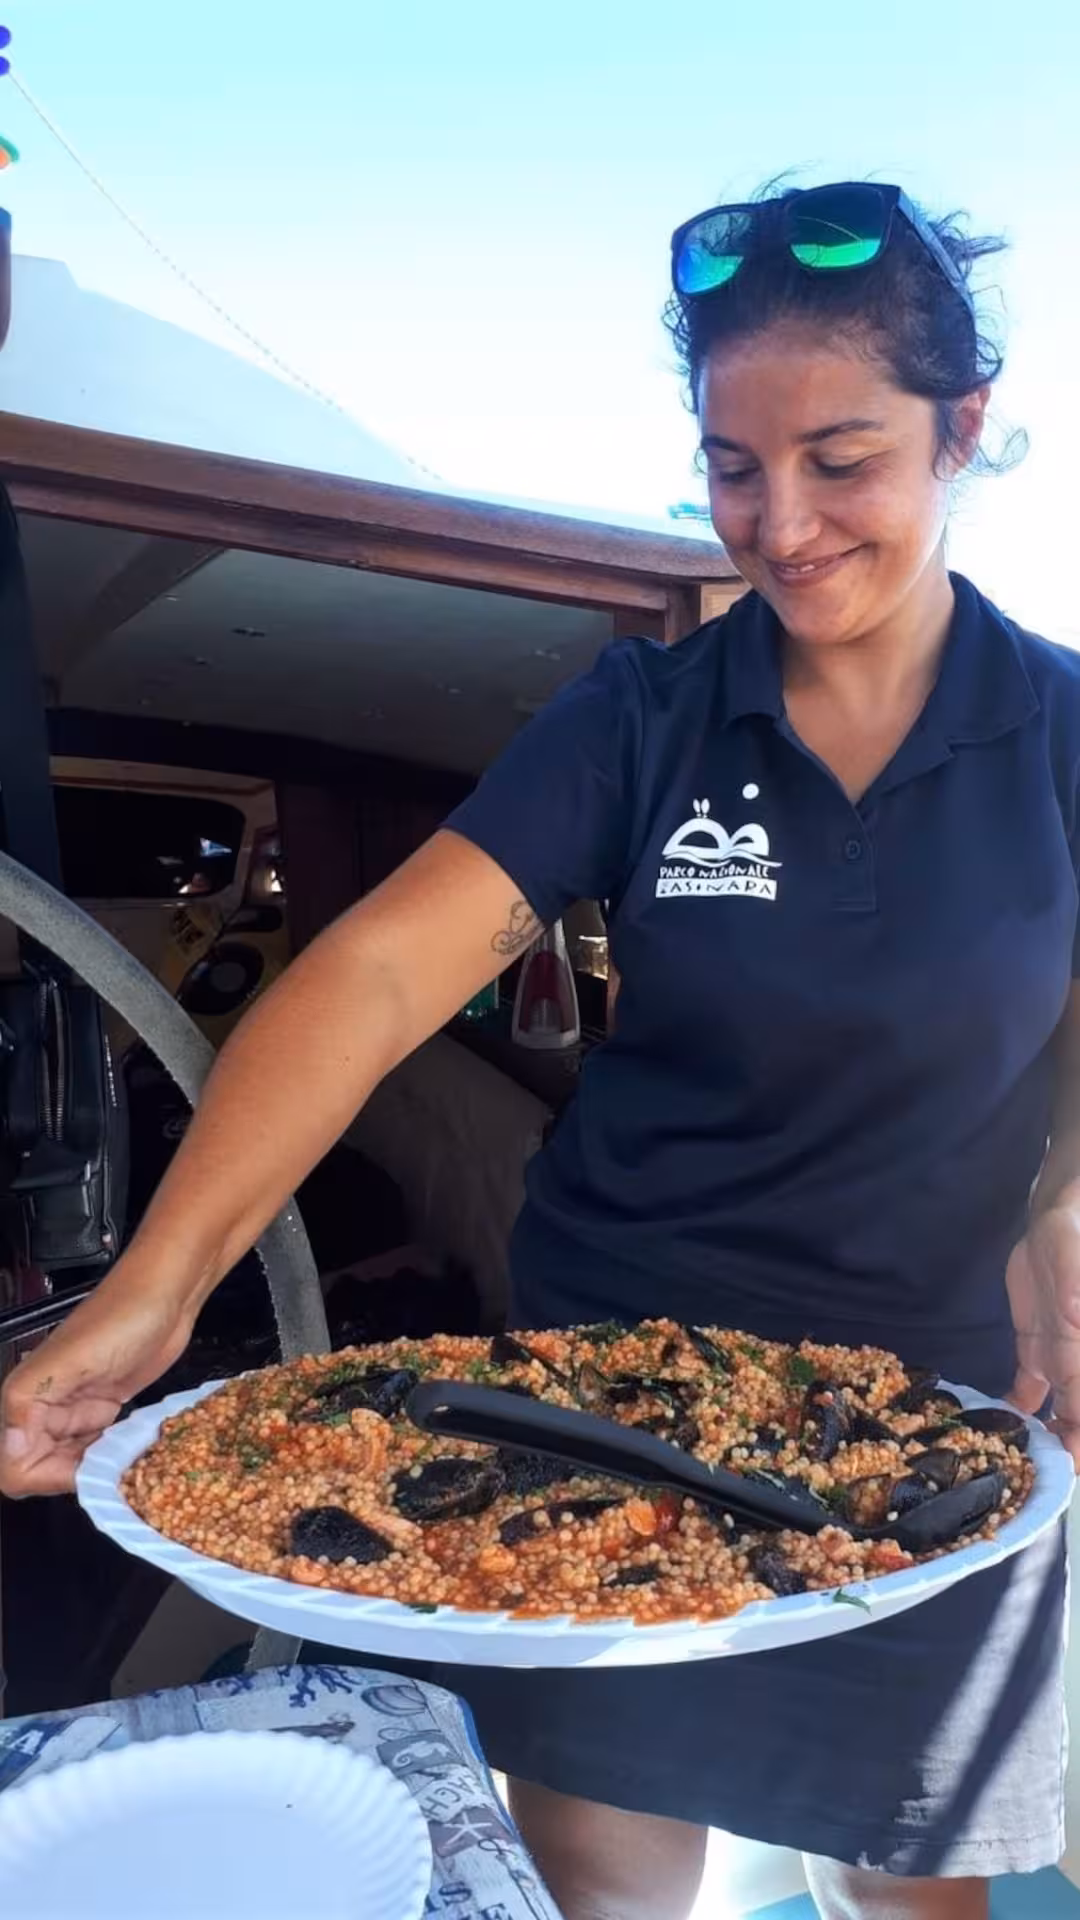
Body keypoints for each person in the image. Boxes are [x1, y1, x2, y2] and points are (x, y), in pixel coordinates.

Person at [1, 179, 1078, 1920]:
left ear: (968, 431)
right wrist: (148, 1300)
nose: (781, 524)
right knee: (603, 1879)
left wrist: (1063, 1195)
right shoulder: (642, 723)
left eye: (842, 457)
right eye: (734, 465)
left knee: (911, 1891)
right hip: (594, 1391)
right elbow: (368, 985)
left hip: (933, 1410)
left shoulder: (1065, 738)